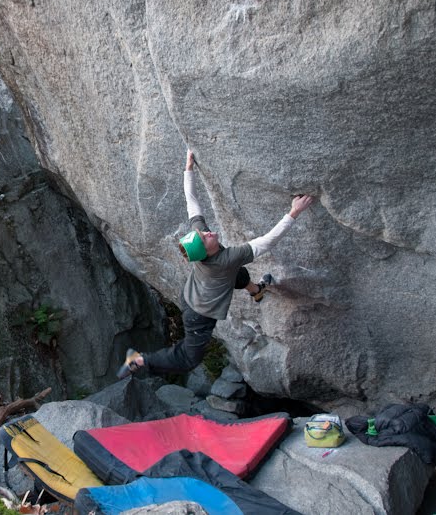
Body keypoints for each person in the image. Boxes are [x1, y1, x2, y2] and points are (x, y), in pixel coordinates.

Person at [117, 149, 314, 379]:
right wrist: (293, 213)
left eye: (203, 233)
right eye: (206, 238)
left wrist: (188, 167)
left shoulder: (201, 243)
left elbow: (192, 202)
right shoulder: (224, 260)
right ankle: (140, 360)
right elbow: (266, 242)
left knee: (237, 274)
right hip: (200, 314)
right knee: (188, 358)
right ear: (206, 251)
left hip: (192, 295)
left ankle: (256, 291)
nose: (208, 233)